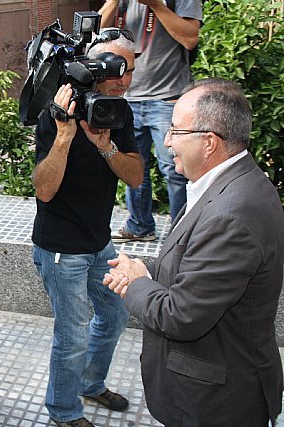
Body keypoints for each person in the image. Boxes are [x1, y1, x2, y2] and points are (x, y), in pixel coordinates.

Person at [103, 78, 284, 426]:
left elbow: (180, 316)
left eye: (175, 131)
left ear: (209, 142)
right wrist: (148, 271)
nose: (167, 141)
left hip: (217, 403)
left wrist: (135, 283)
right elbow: (195, 266)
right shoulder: (228, 184)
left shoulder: (231, 212)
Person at [31, 31, 143, 427]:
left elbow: (134, 177)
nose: (125, 79)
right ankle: (64, 412)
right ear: (94, 68)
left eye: (130, 69)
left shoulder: (117, 111)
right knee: (73, 334)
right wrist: (64, 137)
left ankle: (90, 383)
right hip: (61, 249)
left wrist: (105, 146)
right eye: (117, 70)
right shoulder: (56, 112)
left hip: (100, 242)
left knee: (114, 317)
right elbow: (43, 191)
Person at [99, 0, 202, 242]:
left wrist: (157, 6)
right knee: (133, 165)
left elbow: (190, 38)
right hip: (127, 97)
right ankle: (139, 226)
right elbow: (93, 34)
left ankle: (182, 235)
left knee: (176, 170)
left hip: (168, 97)